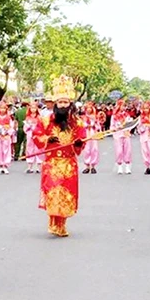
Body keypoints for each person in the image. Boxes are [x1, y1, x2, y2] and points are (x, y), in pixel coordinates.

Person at [32, 75, 86, 237]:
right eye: (60, 102)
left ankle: (62, 224)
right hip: (52, 163)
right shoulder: (46, 120)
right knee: (54, 193)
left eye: (66, 102)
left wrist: (78, 143)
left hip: (69, 164)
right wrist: (48, 139)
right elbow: (36, 135)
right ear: (55, 104)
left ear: (70, 104)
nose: (63, 105)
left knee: (66, 195)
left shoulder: (77, 122)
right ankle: (53, 223)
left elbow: (81, 138)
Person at [111, 100, 132, 174]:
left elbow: (130, 125)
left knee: (127, 150)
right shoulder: (114, 116)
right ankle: (119, 166)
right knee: (119, 151)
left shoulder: (127, 115)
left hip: (126, 134)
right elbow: (112, 126)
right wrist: (116, 128)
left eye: (124, 106)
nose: (124, 107)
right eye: (122, 105)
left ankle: (127, 166)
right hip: (118, 135)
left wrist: (128, 128)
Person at [24, 101, 44, 173]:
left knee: (38, 149)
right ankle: (30, 166)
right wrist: (28, 127)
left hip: (37, 135)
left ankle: (39, 167)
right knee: (30, 149)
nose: (33, 109)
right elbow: (25, 127)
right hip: (30, 135)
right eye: (31, 108)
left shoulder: (39, 117)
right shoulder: (28, 117)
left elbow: (42, 126)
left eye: (34, 108)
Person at [81, 102, 101, 174]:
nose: (89, 110)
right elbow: (80, 126)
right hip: (86, 133)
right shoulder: (83, 117)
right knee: (86, 150)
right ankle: (87, 166)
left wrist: (94, 126)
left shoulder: (94, 117)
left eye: (90, 108)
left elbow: (98, 126)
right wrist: (86, 126)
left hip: (93, 133)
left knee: (94, 149)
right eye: (87, 108)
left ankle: (93, 166)